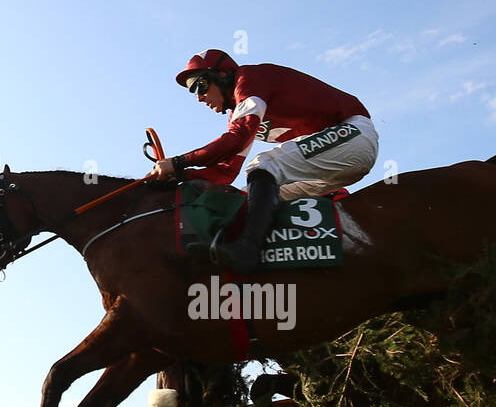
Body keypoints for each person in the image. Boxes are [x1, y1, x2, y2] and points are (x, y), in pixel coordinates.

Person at [148, 49, 378, 275]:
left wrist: (179, 162)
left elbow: (236, 139)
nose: (198, 97)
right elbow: (227, 170)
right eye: (193, 92)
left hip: (353, 134)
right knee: (248, 195)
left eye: (200, 85)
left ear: (222, 75)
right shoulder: (240, 111)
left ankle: (246, 250)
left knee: (263, 164)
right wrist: (181, 176)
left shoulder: (248, 79)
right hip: (335, 161)